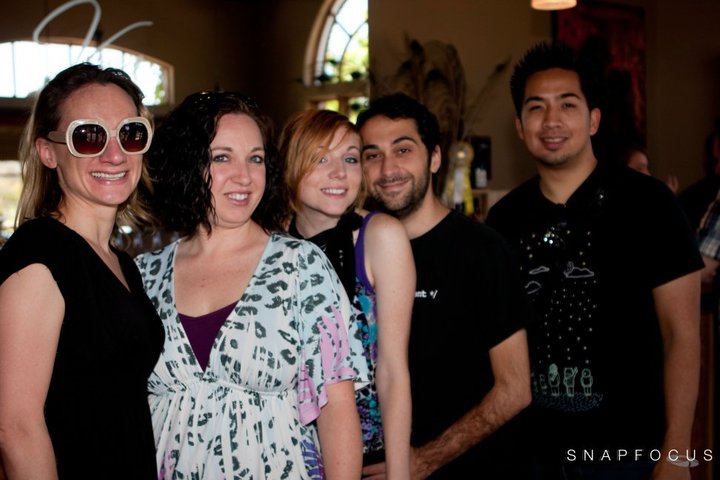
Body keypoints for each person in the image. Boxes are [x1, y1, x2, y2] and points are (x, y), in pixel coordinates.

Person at [485, 42, 703, 479]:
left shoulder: (650, 204)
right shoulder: (504, 219)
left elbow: (681, 336)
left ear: (594, 119)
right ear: (519, 125)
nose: (551, 121)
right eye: (536, 107)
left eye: (567, 104)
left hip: (627, 455)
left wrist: (676, 452)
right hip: (531, 455)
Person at [135, 91, 368, 479]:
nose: (243, 176)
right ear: (188, 163)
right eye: (221, 157)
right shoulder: (145, 274)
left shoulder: (301, 267)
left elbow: (337, 408)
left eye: (255, 158)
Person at [356, 93, 532, 479]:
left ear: (435, 158)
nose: (388, 168)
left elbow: (515, 389)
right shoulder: (353, 250)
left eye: (403, 149)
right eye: (372, 155)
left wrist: (423, 460)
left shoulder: (483, 251)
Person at [0, 63, 163, 478]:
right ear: (48, 151)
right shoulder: (39, 253)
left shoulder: (121, 262)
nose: (115, 154)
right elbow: (15, 426)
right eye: (88, 136)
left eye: (130, 133)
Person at [279, 109, 414, 477]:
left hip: (370, 461)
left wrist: (399, 474)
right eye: (321, 158)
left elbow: (392, 370)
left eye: (350, 159)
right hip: (289, 459)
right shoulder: (268, 244)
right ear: (291, 165)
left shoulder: (379, 236)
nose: (339, 172)